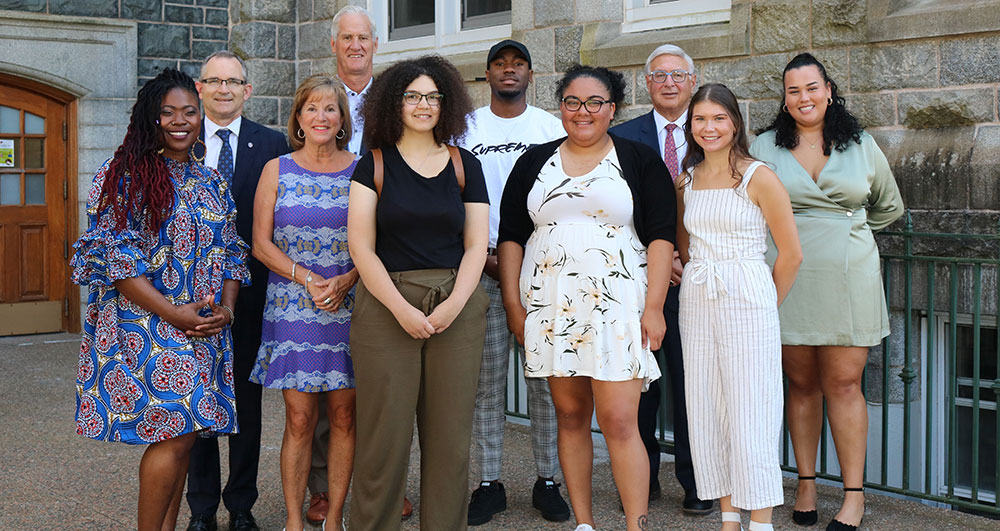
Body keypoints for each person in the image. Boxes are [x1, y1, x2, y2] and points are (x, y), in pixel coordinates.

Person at [70, 68, 249, 531]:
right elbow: (115, 262)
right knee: (174, 430)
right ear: (150, 117)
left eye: (190, 111)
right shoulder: (123, 176)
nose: (180, 120)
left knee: (183, 435)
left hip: (203, 326)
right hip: (145, 323)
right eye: (167, 112)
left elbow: (231, 253)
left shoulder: (210, 181)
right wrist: (175, 314)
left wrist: (226, 311)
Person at [498, 64, 675, 531]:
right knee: (570, 415)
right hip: (552, 309)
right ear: (561, 107)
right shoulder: (534, 161)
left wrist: (654, 307)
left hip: (618, 309)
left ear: (612, 109)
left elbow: (661, 236)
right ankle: (584, 523)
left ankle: (635, 525)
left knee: (620, 421)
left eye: (595, 102)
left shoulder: (638, 159)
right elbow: (512, 236)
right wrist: (516, 307)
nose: (583, 111)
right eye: (573, 102)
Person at [750, 53, 903, 531]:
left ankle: (853, 495)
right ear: (785, 98)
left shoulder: (862, 145)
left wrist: (846, 232)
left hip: (847, 274)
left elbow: (888, 207)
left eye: (812, 88)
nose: (803, 98)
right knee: (801, 383)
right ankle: (807, 482)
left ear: (829, 89)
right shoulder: (764, 146)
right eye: (793, 91)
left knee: (843, 384)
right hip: (787, 275)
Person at [347, 55, 490, 531]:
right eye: (413, 96)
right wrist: (401, 309)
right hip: (387, 305)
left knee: (449, 441)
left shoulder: (465, 163)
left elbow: (476, 246)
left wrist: (452, 305)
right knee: (382, 439)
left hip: (458, 305)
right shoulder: (374, 164)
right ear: (394, 102)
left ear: (446, 104)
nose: (423, 105)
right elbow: (361, 248)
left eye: (433, 96)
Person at [308, 6, 421, 523]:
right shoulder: (318, 103)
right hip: (319, 262)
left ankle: (384, 485)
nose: (355, 45)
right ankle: (323, 490)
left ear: (377, 45)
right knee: (324, 380)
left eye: (363, 38)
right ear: (334, 46)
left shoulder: (396, 103)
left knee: (380, 383)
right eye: (346, 38)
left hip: (384, 257)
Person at [675, 83, 801, 531]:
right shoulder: (686, 179)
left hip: (748, 295)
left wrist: (764, 303)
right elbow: (685, 245)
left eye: (719, 118)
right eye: (700, 120)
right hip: (699, 295)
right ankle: (729, 518)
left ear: (735, 122)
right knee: (708, 405)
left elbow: (791, 254)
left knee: (753, 408)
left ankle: (761, 521)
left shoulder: (758, 176)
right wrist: (700, 275)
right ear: (690, 126)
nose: (709, 128)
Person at [459, 39, 569, 526]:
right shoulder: (467, 128)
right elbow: (454, 191)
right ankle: (489, 483)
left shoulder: (549, 126)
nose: (509, 71)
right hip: (480, 268)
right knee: (486, 385)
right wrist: (481, 254)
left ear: (530, 73)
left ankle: (548, 480)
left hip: (541, 272)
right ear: (487, 74)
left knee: (546, 382)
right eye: (500, 64)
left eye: (518, 63)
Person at [248, 75, 358, 531]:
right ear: (298, 117)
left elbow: (375, 240)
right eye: (312, 108)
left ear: (341, 120)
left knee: (345, 415)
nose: (321, 116)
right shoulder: (277, 169)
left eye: (330, 109)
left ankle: (333, 517)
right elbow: (260, 243)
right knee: (299, 418)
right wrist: (309, 277)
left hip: (348, 305)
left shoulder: (362, 168)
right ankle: (294, 520)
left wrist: (348, 279)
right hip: (293, 304)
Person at [186, 50, 290, 531]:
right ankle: (201, 507)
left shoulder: (272, 144)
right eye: (214, 81)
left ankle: (242, 505)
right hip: (192, 296)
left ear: (248, 90)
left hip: (254, 293)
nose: (224, 89)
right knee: (197, 401)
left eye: (234, 82)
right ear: (200, 88)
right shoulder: (182, 142)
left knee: (247, 405)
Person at [609, 43, 713, 515]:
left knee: (694, 384)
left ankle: (697, 481)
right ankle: (642, 477)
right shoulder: (621, 136)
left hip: (700, 276)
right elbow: (614, 206)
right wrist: (658, 255)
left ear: (692, 80)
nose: (668, 82)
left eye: (678, 74)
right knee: (642, 385)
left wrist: (685, 254)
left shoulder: (712, 128)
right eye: (658, 75)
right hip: (640, 279)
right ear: (647, 83)